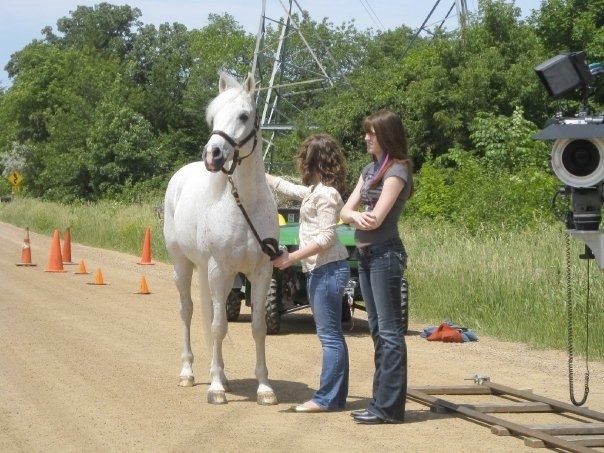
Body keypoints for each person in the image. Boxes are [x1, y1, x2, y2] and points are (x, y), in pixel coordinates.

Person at [266, 134, 350, 413]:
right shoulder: (317, 190)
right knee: (333, 336)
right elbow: (288, 188)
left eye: (304, 157)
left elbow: (326, 237)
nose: (300, 163)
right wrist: (259, 172)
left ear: (313, 161)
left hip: (327, 270)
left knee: (329, 338)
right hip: (324, 270)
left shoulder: (326, 194)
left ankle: (325, 399)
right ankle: (334, 398)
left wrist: (291, 258)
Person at [339, 109, 413, 425]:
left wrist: (354, 216)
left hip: (385, 255)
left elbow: (376, 217)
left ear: (386, 135)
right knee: (377, 331)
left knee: (391, 332)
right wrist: (353, 216)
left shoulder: (397, 170)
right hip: (367, 258)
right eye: (366, 132)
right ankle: (379, 402)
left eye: (371, 133)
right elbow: (346, 209)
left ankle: (390, 409)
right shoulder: (369, 169)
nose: (366, 138)